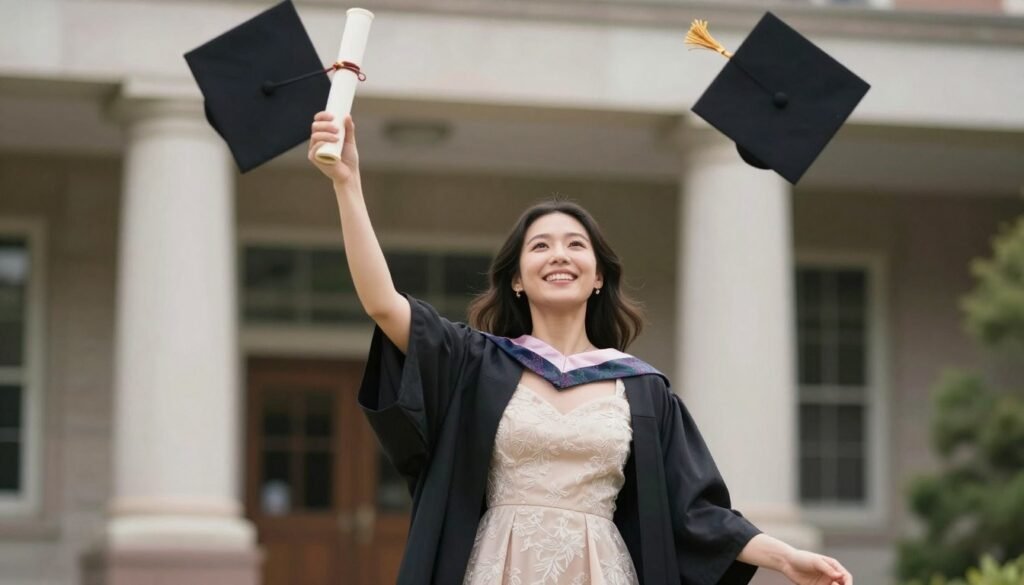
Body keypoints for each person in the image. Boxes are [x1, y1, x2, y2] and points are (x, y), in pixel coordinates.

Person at [308, 111, 854, 585]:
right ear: (517, 278)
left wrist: (786, 557)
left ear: (597, 276)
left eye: (576, 245)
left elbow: (699, 513)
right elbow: (383, 303)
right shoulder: (478, 363)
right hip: (500, 564)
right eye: (540, 246)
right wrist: (347, 183)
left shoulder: (641, 389)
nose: (559, 255)